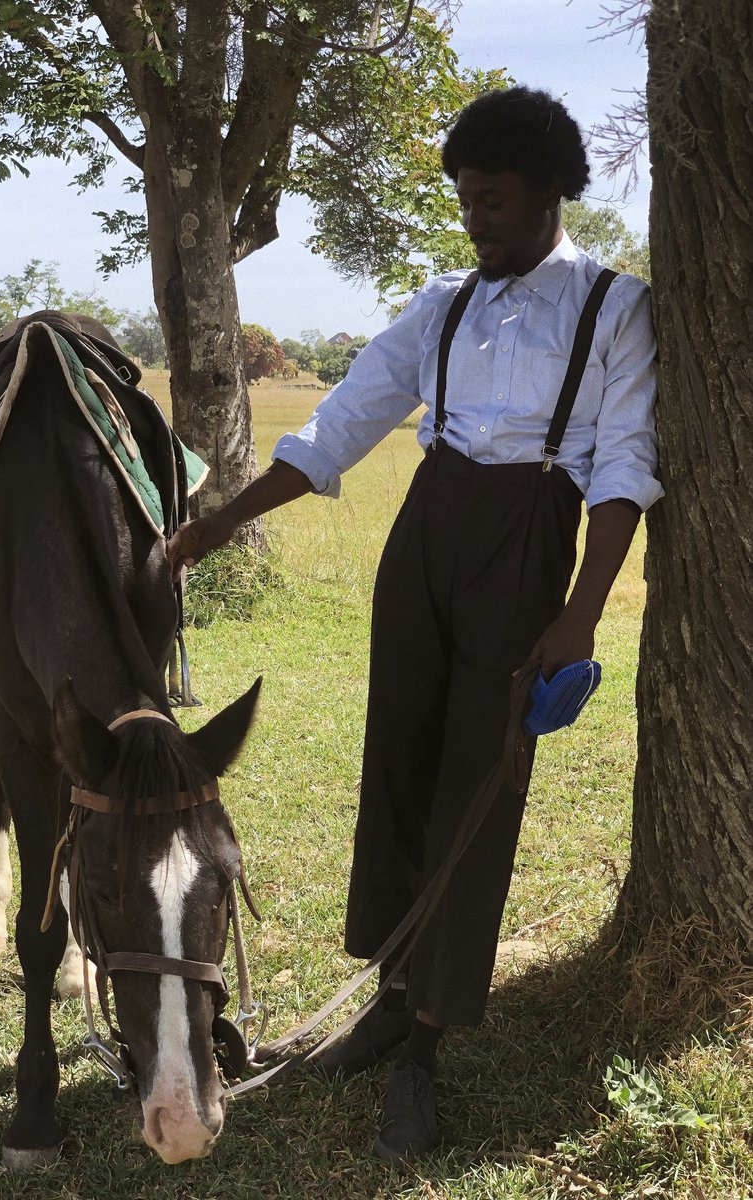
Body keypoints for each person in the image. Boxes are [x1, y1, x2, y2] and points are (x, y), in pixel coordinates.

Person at [168, 86, 662, 1161]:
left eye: (492, 200)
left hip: (530, 538)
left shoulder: (614, 307)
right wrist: (213, 530)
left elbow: (624, 465)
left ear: (550, 196)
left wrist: (579, 616)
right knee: (394, 761)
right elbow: (342, 422)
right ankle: (390, 993)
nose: (474, 219)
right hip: (426, 532)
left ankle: (425, 1047)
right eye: (465, 201)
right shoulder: (441, 301)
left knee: (479, 786)